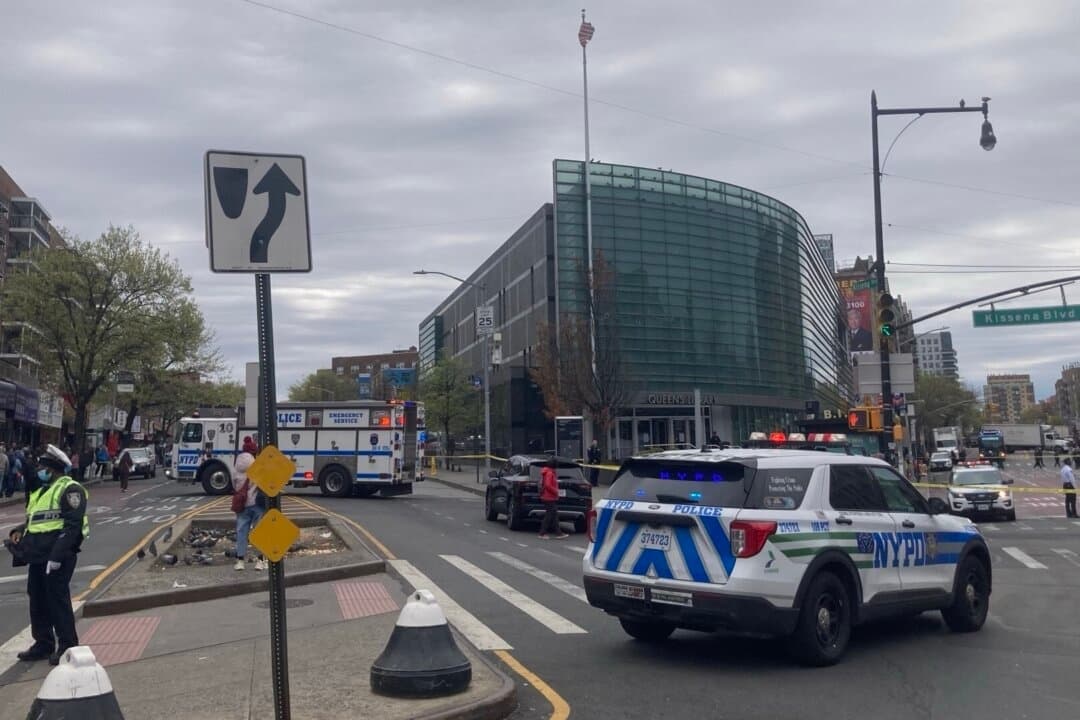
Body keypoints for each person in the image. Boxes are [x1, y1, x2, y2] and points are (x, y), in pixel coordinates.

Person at [7, 445, 88, 665]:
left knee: (57, 599)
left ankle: (68, 644)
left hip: (58, 555)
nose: (40, 470)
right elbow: (38, 520)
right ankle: (43, 643)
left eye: (43, 467)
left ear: (52, 469)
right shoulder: (44, 490)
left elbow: (72, 527)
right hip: (39, 555)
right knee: (37, 598)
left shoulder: (71, 489)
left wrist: (57, 557)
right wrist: (19, 531)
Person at [232, 452, 266, 571]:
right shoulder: (257, 470)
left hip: (242, 506)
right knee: (259, 533)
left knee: (242, 533)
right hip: (257, 505)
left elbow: (234, 487)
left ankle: (240, 560)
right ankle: (260, 561)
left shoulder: (236, 471)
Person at [538, 458, 566, 539]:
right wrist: (556, 491)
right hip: (549, 497)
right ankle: (542, 533)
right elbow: (548, 485)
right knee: (549, 515)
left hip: (549, 496)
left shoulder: (548, 472)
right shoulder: (550, 473)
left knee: (554, 515)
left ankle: (558, 533)